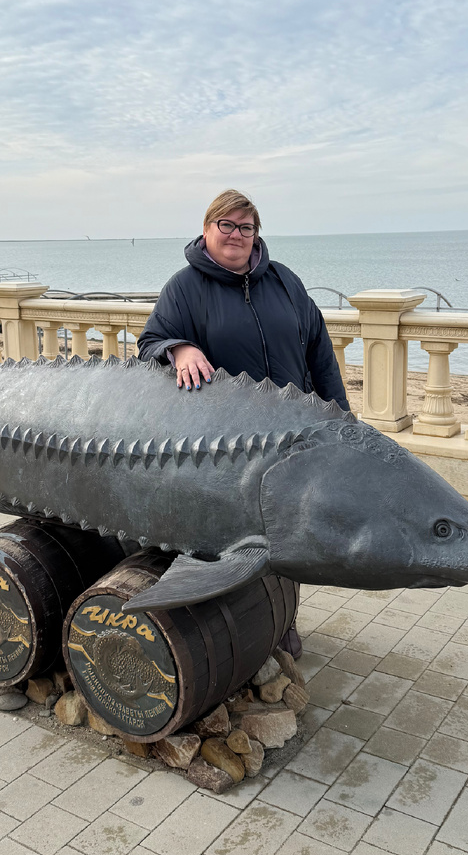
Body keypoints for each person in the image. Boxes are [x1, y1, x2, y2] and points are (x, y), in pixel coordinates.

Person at [138, 189, 351, 657]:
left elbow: (319, 350)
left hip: (293, 434)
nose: (237, 235)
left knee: (290, 532)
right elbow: (149, 341)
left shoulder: (285, 282)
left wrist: (341, 417)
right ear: (207, 230)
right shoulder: (185, 286)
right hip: (225, 444)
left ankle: (283, 620)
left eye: (246, 227)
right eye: (227, 226)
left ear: (257, 234)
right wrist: (179, 347)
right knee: (229, 536)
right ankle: (218, 626)